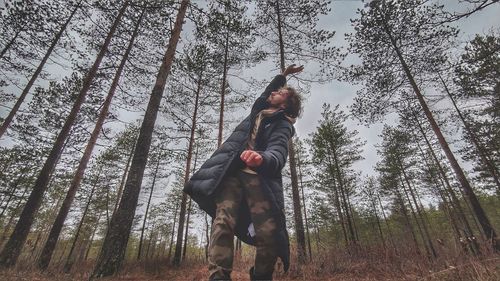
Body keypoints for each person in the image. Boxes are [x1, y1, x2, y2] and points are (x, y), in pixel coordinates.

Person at [184, 64, 304, 281]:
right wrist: (283, 76)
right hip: (233, 174)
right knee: (223, 220)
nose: (274, 93)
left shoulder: (283, 126)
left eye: (280, 93)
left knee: (268, 234)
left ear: (285, 105)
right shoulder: (259, 110)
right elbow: (267, 91)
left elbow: (278, 153)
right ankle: (218, 276)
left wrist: (261, 158)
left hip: (259, 180)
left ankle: (261, 276)